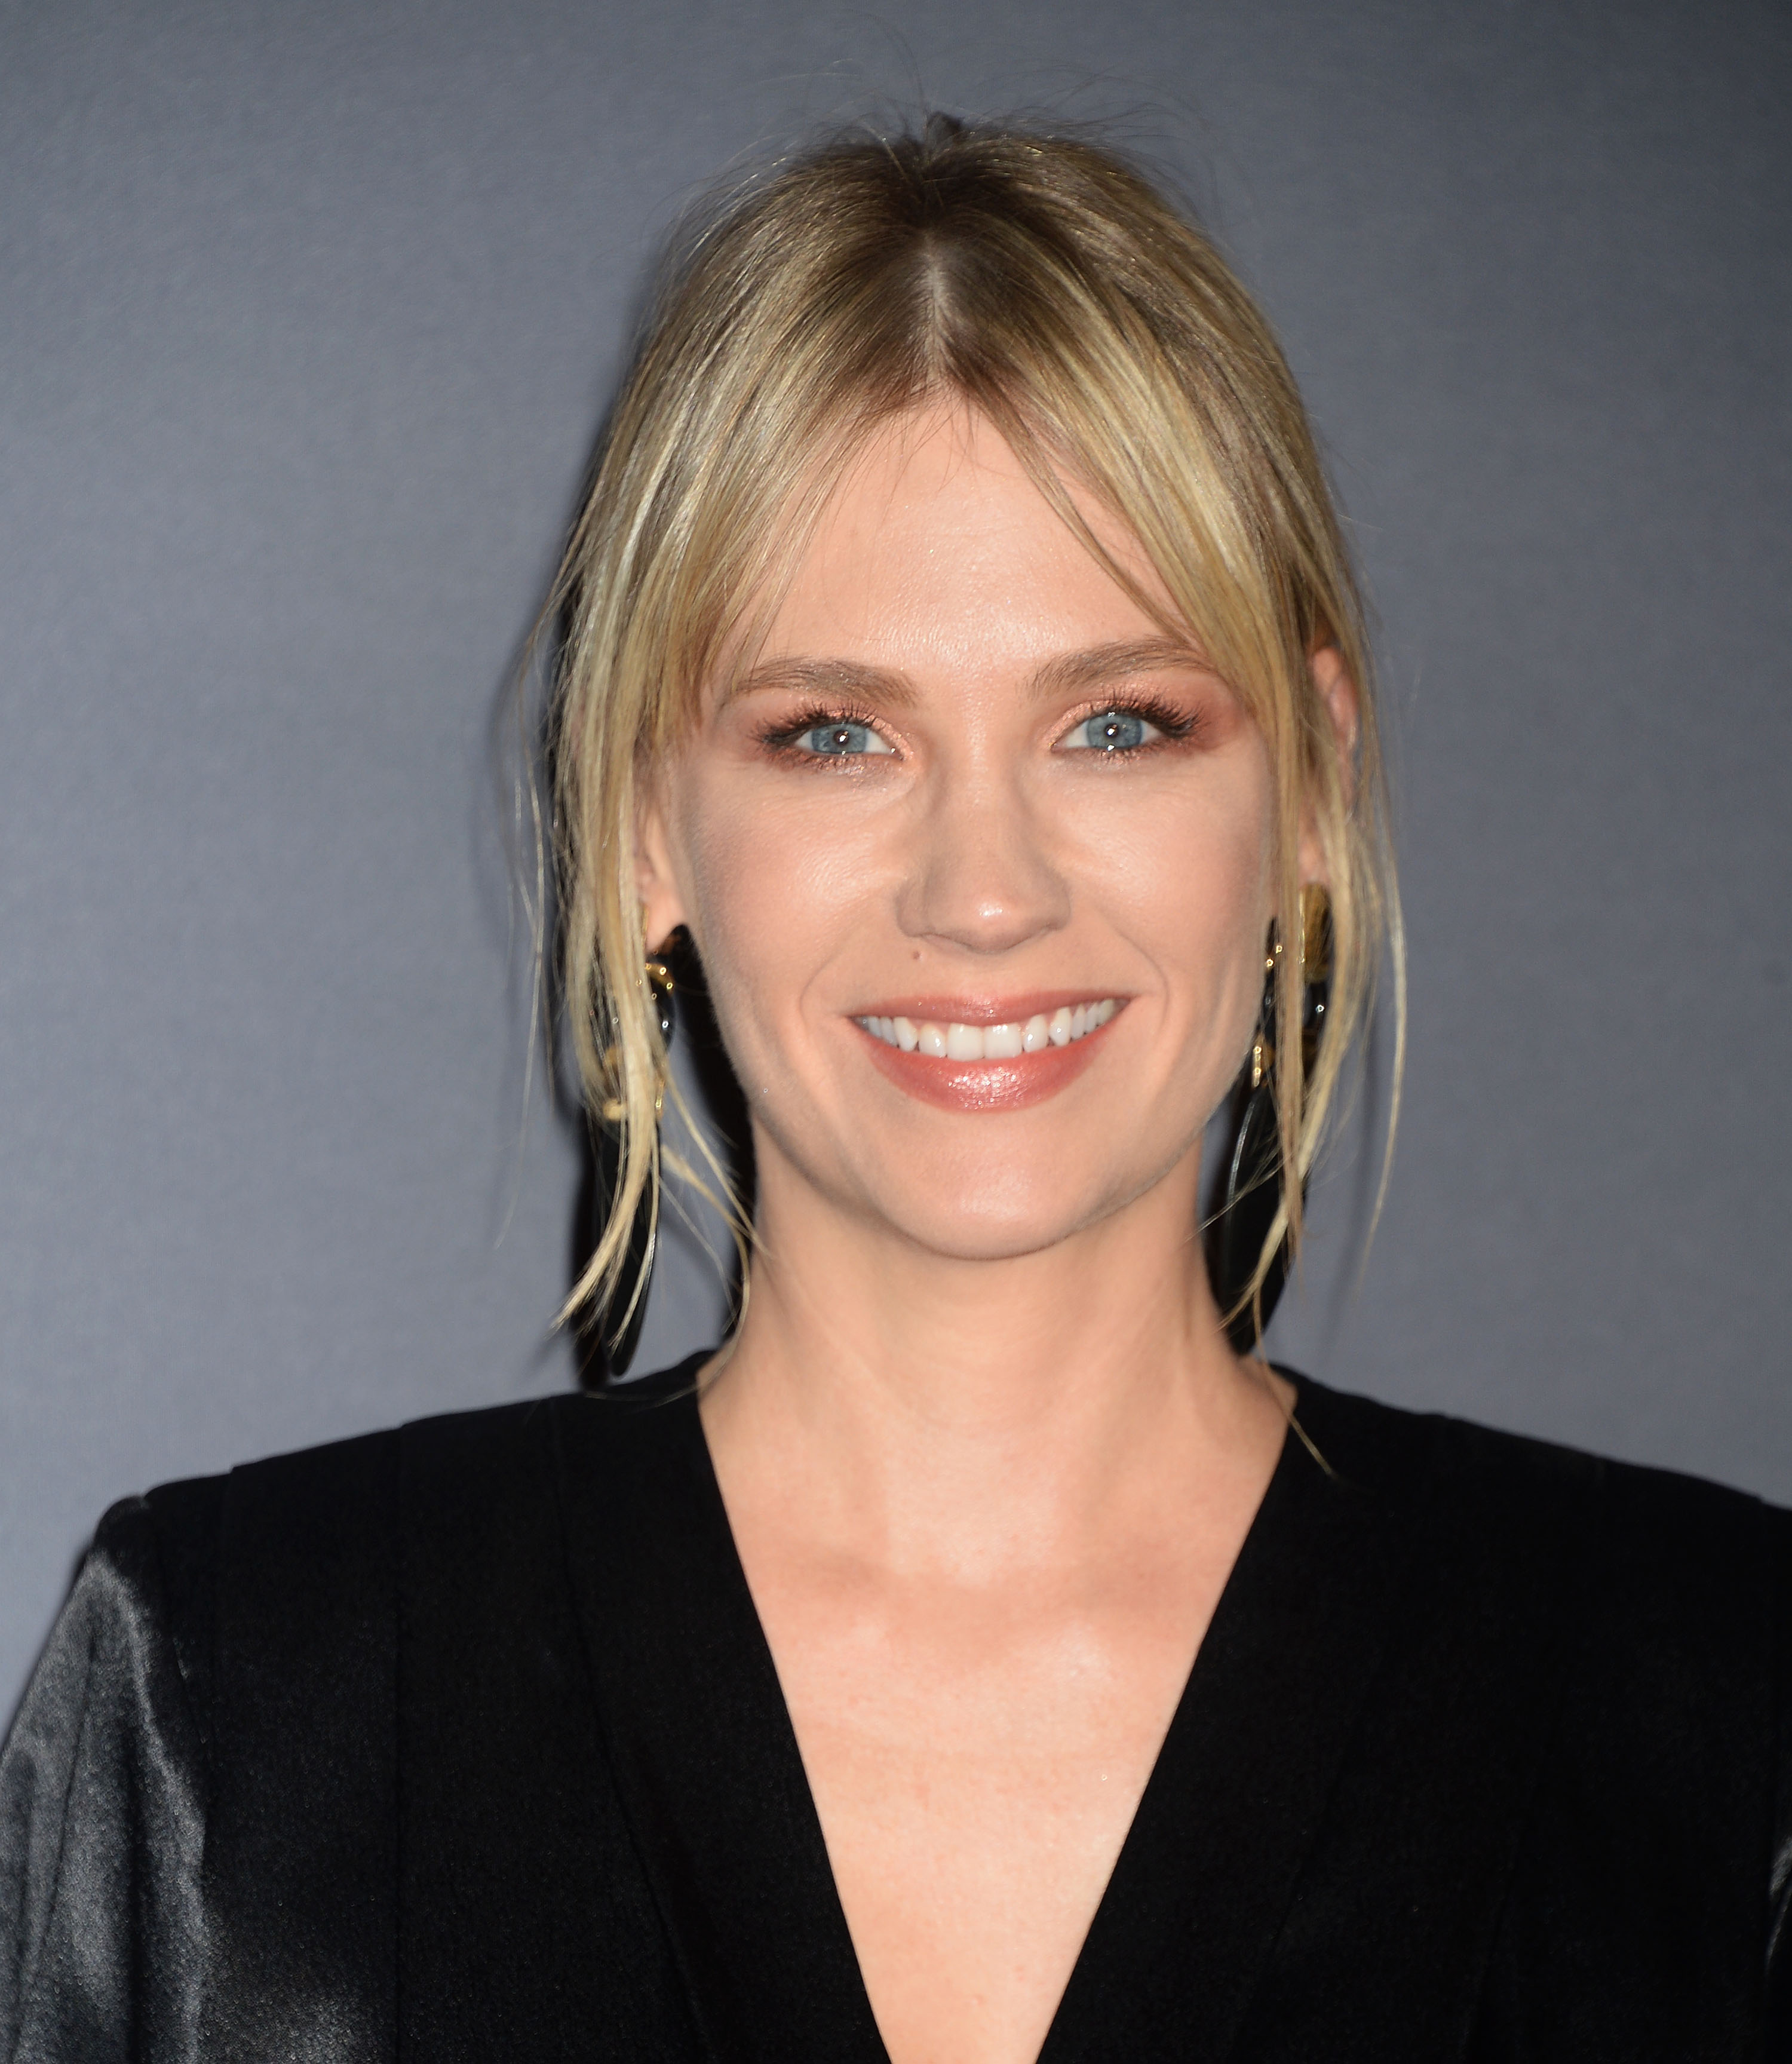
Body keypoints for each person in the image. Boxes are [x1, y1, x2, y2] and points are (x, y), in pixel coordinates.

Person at [1, 115, 1786, 2064]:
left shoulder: (1721, 1708)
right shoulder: (232, 1709)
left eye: (1120, 725)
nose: (986, 891)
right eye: (836, 735)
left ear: (1309, 793)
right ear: (646, 826)